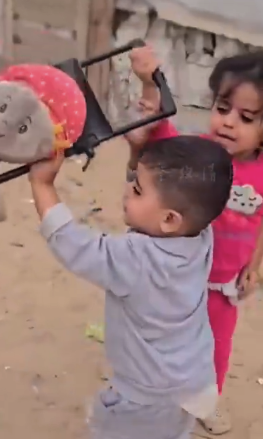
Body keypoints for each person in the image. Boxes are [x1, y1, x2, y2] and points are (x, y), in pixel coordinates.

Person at [29, 135, 233, 439]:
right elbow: (163, 197)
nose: (126, 189)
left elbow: (76, 246)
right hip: (194, 379)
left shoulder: (137, 258)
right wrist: (138, 150)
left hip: (146, 397)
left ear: (169, 219)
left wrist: (43, 186)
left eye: (136, 189)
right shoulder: (201, 236)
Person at [127, 47, 263, 435]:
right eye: (222, 108)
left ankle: (206, 402)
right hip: (176, 282)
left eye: (246, 117)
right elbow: (158, 132)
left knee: (215, 349)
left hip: (222, 288)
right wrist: (149, 84)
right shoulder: (196, 155)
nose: (228, 123)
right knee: (165, 345)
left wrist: (254, 268)